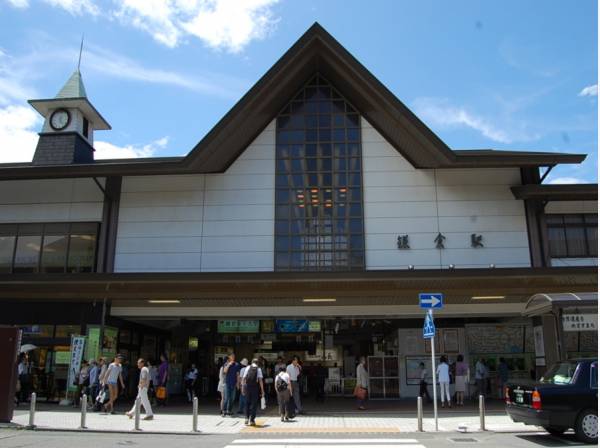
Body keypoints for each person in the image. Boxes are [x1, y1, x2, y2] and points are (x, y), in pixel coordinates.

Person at [241, 358, 265, 426]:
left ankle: (246, 418)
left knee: (247, 403)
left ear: (252, 362)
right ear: (257, 363)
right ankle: (252, 420)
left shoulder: (248, 367)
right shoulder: (258, 369)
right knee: (254, 404)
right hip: (255, 388)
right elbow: (260, 380)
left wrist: (242, 388)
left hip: (247, 387)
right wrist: (262, 390)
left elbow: (243, 378)